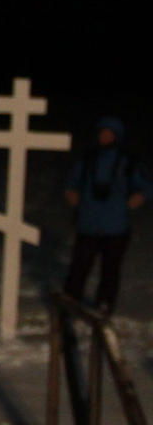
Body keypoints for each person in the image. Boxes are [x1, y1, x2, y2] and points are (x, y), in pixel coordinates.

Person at [63, 116, 152, 312]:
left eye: (110, 134)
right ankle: (69, 302)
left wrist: (141, 196)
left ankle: (104, 305)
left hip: (116, 227)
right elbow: (72, 182)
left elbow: (147, 185)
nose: (105, 137)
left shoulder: (128, 162)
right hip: (88, 225)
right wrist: (71, 192)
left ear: (117, 136)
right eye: (102, 133)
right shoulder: (87, 160)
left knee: (110, 271)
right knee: (78, 268)